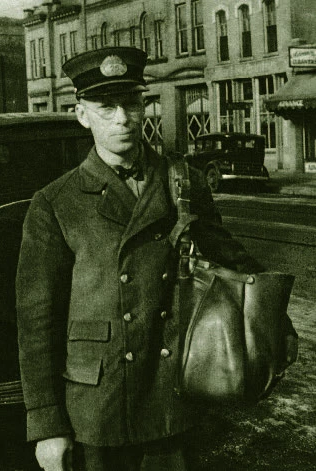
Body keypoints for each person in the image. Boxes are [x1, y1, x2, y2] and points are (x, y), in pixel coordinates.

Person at [16, 47, 298, 471]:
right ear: (81, 114)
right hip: (96, 404)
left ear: (143, 106)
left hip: (173, 396)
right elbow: (36, 321)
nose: (122, 118)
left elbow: (234, 262)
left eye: (131, 103)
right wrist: (47, 424)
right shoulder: (55, 203)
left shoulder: (181, 181)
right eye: (105, 107)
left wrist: (276, 324)